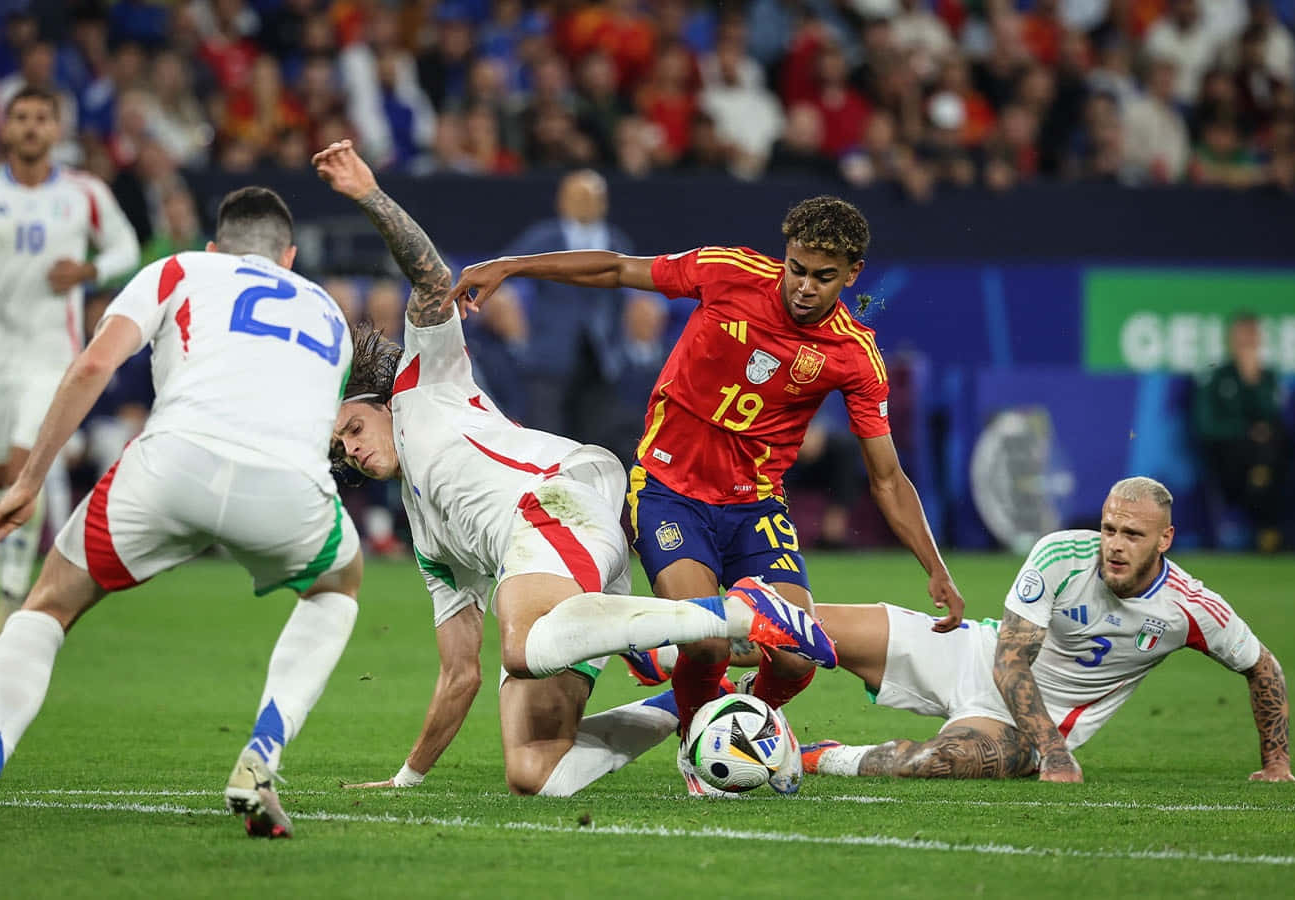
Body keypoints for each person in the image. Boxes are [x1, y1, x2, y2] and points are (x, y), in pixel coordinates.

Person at [312, 139, 836, 797]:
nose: (353, 448)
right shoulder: (430, 542)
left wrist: (367, 193)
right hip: (555, 571)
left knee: (520, 642)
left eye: (353, 428)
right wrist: (407, 777)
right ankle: (688, 697)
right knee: (536, 772)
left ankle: (730, 617)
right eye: (342, 450)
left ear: (378, 401)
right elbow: (458, 674)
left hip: (559, 498)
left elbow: (427, 278)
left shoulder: (424, 380)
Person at [450, 194, 964, 793]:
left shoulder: (854, 356)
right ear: (785, 256)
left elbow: (886, 476)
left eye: (823, 278)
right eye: (796, 269)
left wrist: (936, 568)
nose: (803, 287)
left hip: (755, 506)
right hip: (670, 490)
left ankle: (746, 715)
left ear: (851, 276)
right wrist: (512, 265)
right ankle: (700, 745)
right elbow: (618, 268)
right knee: (707, 642)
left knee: (797, 658)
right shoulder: (730, 272)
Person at [0, 185, 364, 842]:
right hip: (287, 486)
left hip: (170, 467)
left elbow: (97, 361)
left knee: (45, 606)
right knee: (339, 586)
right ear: (289, 258)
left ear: (217, 246)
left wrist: (30, 480)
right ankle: (261, 759)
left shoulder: (180, 267)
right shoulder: (327, 310)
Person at [794, 477, 1293, 783]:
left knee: (933, 763)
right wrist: (1056, 758)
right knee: (794, 625)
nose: (1115, 545)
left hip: (1024, 726)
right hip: (970, 652)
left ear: (1165, 539)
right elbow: (1009, 661)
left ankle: (811, 757)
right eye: (1109, 529)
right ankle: (715, 647)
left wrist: (1276, 763)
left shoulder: (1191, 608)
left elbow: (1262, 666)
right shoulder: (1061, 554)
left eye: (1133, 535)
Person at [0, 86, 140, 639]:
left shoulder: (83, 193)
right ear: (6, 129)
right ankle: (12, 579)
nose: (32, 127)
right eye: (22, 118)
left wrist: (89, 273)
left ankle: (14, 590)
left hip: (52, 355)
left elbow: (126, 247)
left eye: (42, 117)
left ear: (56, 129)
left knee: (20, 464)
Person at [503, 170, 634, 445]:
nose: (586, 204)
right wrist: (518, 329)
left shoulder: (616, 242)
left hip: (600, 360)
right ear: (562, 201)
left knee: (598, 441)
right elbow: (503, 273)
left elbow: (628, 297)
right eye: (578, 197)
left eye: (593, 198)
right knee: (547, 438)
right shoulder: (544, 239)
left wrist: (620, 347)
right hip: (550, 356)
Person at [1192, 312, 1289, 551]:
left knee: (1275, 447)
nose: (1248, 344)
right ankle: (1263, 520)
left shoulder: (1267, 377)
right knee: (1259, 453)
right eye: (1243, 337)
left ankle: (1260, 482)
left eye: (1252, 337)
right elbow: (1208, 425)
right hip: (1227, 456)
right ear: (1231, 340)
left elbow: (1273, 416)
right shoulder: (1216, 376)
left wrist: (1252, 380)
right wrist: (1246, 432)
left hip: (1267, 456)